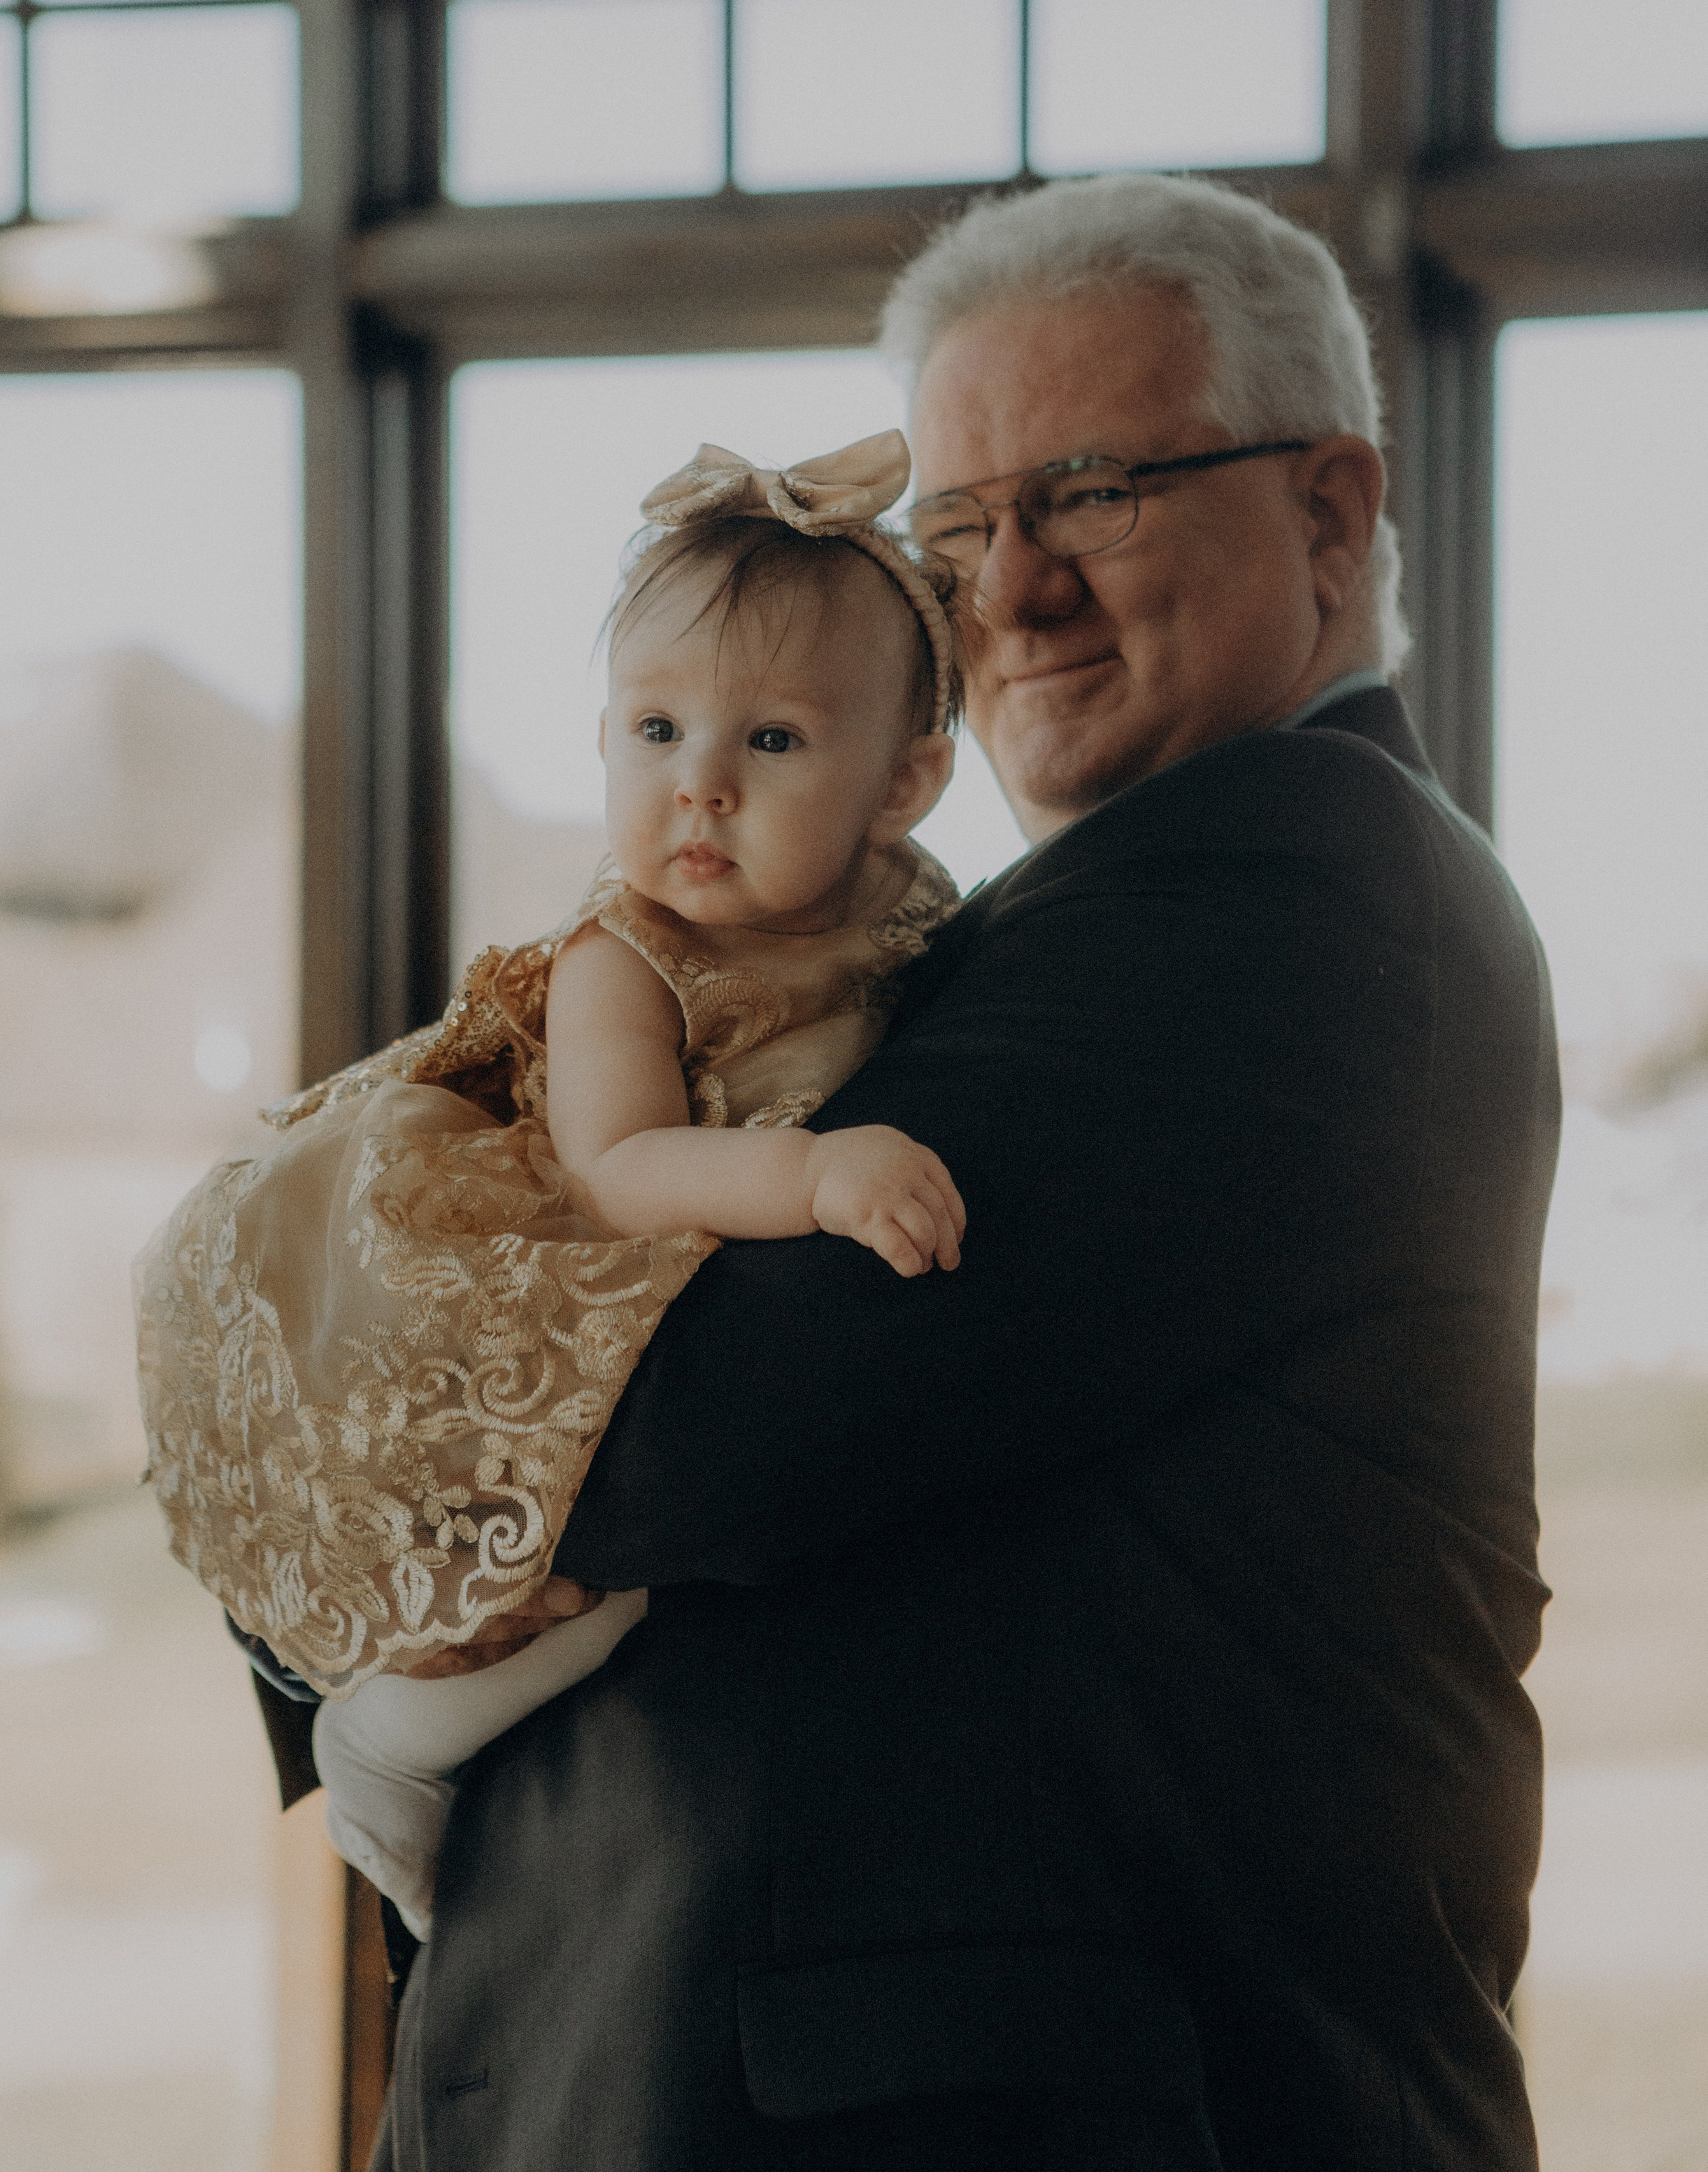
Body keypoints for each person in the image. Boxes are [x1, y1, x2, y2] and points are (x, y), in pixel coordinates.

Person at [254, 173, 1560, 2172]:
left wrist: (289, 1413)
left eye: (1098, 490)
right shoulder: (1025, 930)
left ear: (1329, 512)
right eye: (957, 523)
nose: (1006, 589)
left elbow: (692, 1417)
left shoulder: (1271, 887)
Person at [136, 430, 968, 1936]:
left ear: (904, 782)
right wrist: (818, 1175)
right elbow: (622, 1161)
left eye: (769, 743)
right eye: (655, 732)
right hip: (539, 1248)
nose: (697, 789)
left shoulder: (917, 922)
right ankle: (387, 1738)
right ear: (599, 743)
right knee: (597, 1574)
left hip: (691, 1237)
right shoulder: (621, 959)